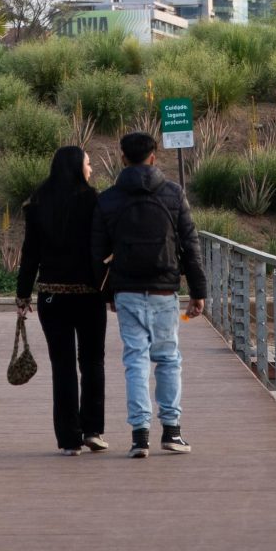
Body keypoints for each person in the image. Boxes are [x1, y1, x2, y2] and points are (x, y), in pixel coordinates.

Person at [91, 130, 205, 457]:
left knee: (135, 360)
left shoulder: (108, 199)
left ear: (122, 158)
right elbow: (191, 247)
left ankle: (139, 436)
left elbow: (97, 252)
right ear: (154, 157)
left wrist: (107, 293)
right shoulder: (173, 193)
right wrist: (198, 291)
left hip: (126, 289)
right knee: (168, 359)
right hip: (164, 289)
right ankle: (172, 431)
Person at [17, 145, 109, 454]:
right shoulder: (94, 202)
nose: (91, 169)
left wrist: (22, 294)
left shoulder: (38, 204)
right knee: (93, 362)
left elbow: (29, 255)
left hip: (52, 296)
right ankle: (93, 430)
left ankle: (69, 438)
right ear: (76, 167)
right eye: (88, 163)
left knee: (63, 366)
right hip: (89, 296)